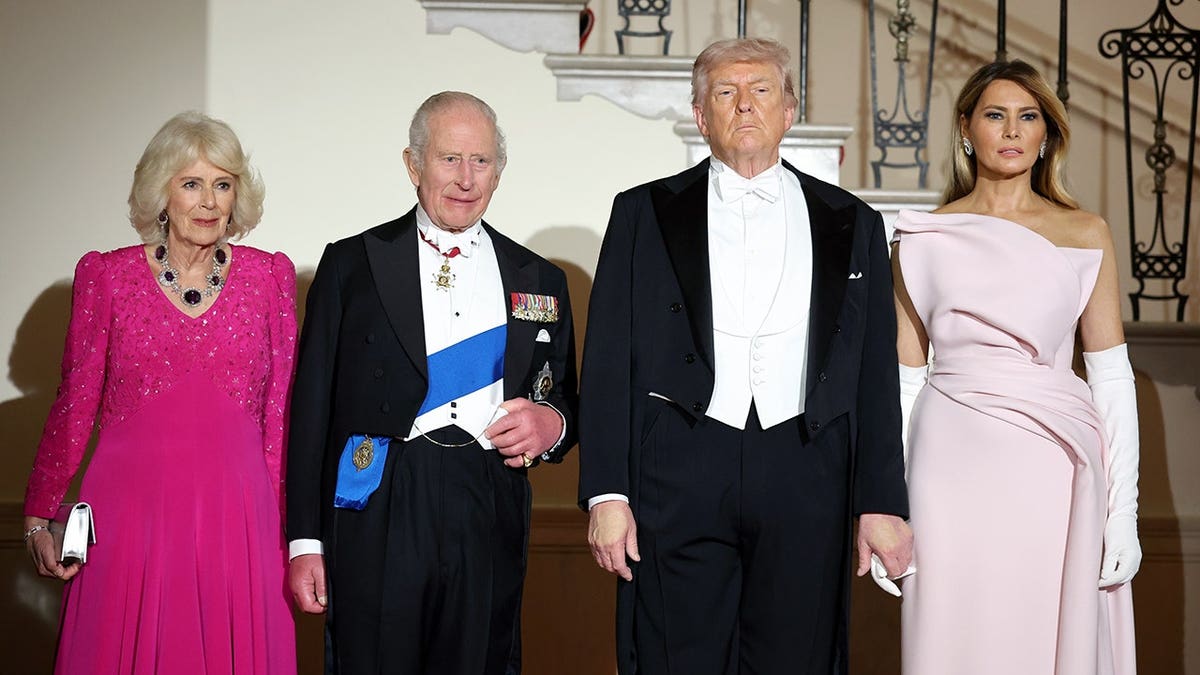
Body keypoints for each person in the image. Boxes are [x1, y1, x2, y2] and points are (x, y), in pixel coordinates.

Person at [579, 38, 912, 675]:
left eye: (762, 91)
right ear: (701, 117)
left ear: (790, 110)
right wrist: (606, 495)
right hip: (678, 462)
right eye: (726, 93)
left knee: (801, 657)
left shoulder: (854, 220)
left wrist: (882, 501)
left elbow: (873, 374)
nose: (746, 106)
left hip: (808, 467)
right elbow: (607, 361)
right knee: (674, 658)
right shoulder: (642, 212)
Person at [285, 91, 578, 675]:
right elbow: (310, 410)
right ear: (413, 164)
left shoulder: (538, 276)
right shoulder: (352, 264)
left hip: (487, 492)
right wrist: (304, 543)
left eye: (482, 161)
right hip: (381, 495)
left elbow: (563, 393)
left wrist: (553, 424)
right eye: (449, 159)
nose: (466, 179)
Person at [22, 111, 298, 673]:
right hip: (130, 517)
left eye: (223, 185)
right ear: (161, 194)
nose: (208, 201)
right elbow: (74, 404)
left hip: (240, 519)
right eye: (191, 183)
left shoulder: (269, 277)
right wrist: (38, 515)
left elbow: (282, 415)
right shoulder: (107, 277)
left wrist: (289, 530)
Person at [893, 59, 1139, 675]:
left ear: (1046, 134)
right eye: (995, 115)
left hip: (1052, 462)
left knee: (1042, 635)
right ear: (967, 129)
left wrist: (1124, 512)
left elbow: (1110, 376)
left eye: (1028, 117)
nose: (1011, 131)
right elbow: (903, 380)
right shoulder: (920, 236)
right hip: (945, 464)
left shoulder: (1085, 233)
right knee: (952, 635)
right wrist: (887, 507)